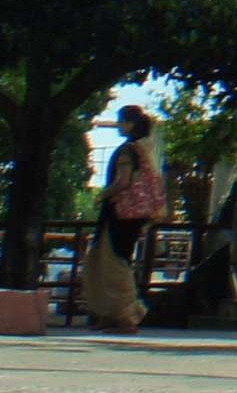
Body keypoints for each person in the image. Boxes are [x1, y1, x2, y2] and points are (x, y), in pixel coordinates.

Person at [79, 105, 167, 331]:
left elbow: (123, 181)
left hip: (120, 214)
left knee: (114, 263)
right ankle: (109, 313)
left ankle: (126, 315)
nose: (118, 125)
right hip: (131, 216)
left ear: (129, 123)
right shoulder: (144, 150)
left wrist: (102, 195)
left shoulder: (128, 151)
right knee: (105, 260)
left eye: (121, 121)